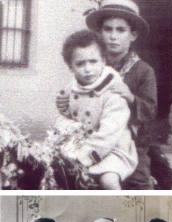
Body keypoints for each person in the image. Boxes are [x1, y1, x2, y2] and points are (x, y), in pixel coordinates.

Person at [84, 0, 164, 189]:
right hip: (93, 140)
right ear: (99, 33)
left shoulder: (143, 71)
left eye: (121, 30)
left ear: (133, 35)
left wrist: (130, 97)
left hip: (130, 146)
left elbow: (150, 111)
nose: (113, 36)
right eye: (108, 29)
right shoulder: (91, 66)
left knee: (137, 187)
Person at [55, 29, 137, 189]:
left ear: (104, 61)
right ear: (70, 67)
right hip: (82, 143)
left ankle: (121, 208)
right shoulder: (72, 87)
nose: (88, 69)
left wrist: (85, 158)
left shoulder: (113, 90)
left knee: (108, 179)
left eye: (93, 62)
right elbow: (70, 116)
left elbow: (110, 133)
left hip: (112, 147)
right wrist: (63, 110)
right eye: (80, 64)